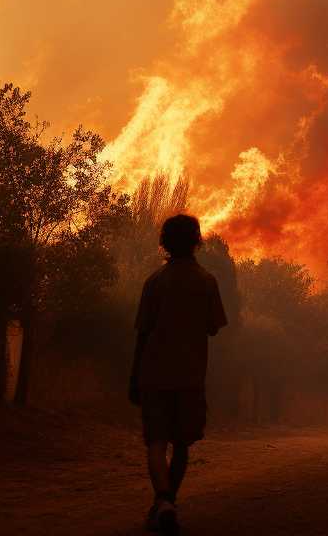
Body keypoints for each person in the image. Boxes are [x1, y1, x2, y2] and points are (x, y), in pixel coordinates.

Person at [130, 214, 228, 534]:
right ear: (197, 241)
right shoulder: (207, 281)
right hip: (189, 376)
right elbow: (214, 327)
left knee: (156, 442)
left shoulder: (154, 281)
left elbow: (142, 333)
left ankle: (162, 500)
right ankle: (169, 500)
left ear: (165, 242)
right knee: (182, 443)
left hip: (154, 373)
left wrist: (134, 376)